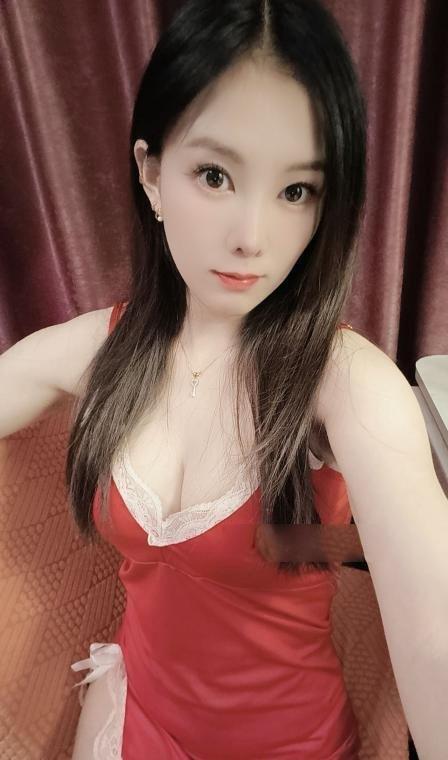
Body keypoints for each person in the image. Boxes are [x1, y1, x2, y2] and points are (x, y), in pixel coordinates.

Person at [2, 0, 371, 757]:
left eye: (296, 191)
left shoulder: (342, 378)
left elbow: (434, 623)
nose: (251, 238)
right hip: (139, 714)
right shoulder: (102, 348)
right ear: (152, 175)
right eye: (214, 175)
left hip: (290, 745)